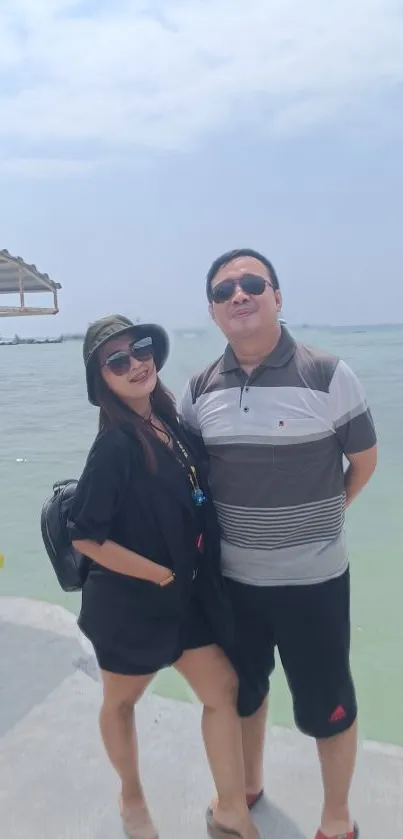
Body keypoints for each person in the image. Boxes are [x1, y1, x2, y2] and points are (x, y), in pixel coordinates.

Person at [180, 249, 378, 839]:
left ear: (277, 297)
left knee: (328, 703)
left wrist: (328, 513)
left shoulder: (327, 374)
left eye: (251, 284)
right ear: (213, 313)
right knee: (243, 694)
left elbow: (363, 462)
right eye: (224, 291)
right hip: (235, 581)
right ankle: (247, 785)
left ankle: (337, 817)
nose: (238, 295)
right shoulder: (199, 389)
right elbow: (192, 479)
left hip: (314, 582)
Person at [68, 314, 260, 839]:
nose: (136, 363)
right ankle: (131, 796)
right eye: (118, 360)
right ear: (101, 378)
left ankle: (231, 811)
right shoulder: (114, 446)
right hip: (131, 605)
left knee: (222, 688)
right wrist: (156, 574)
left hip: (184, 598)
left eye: (142, 349)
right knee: (122, 702)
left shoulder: (168, 420)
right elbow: (83, 535)